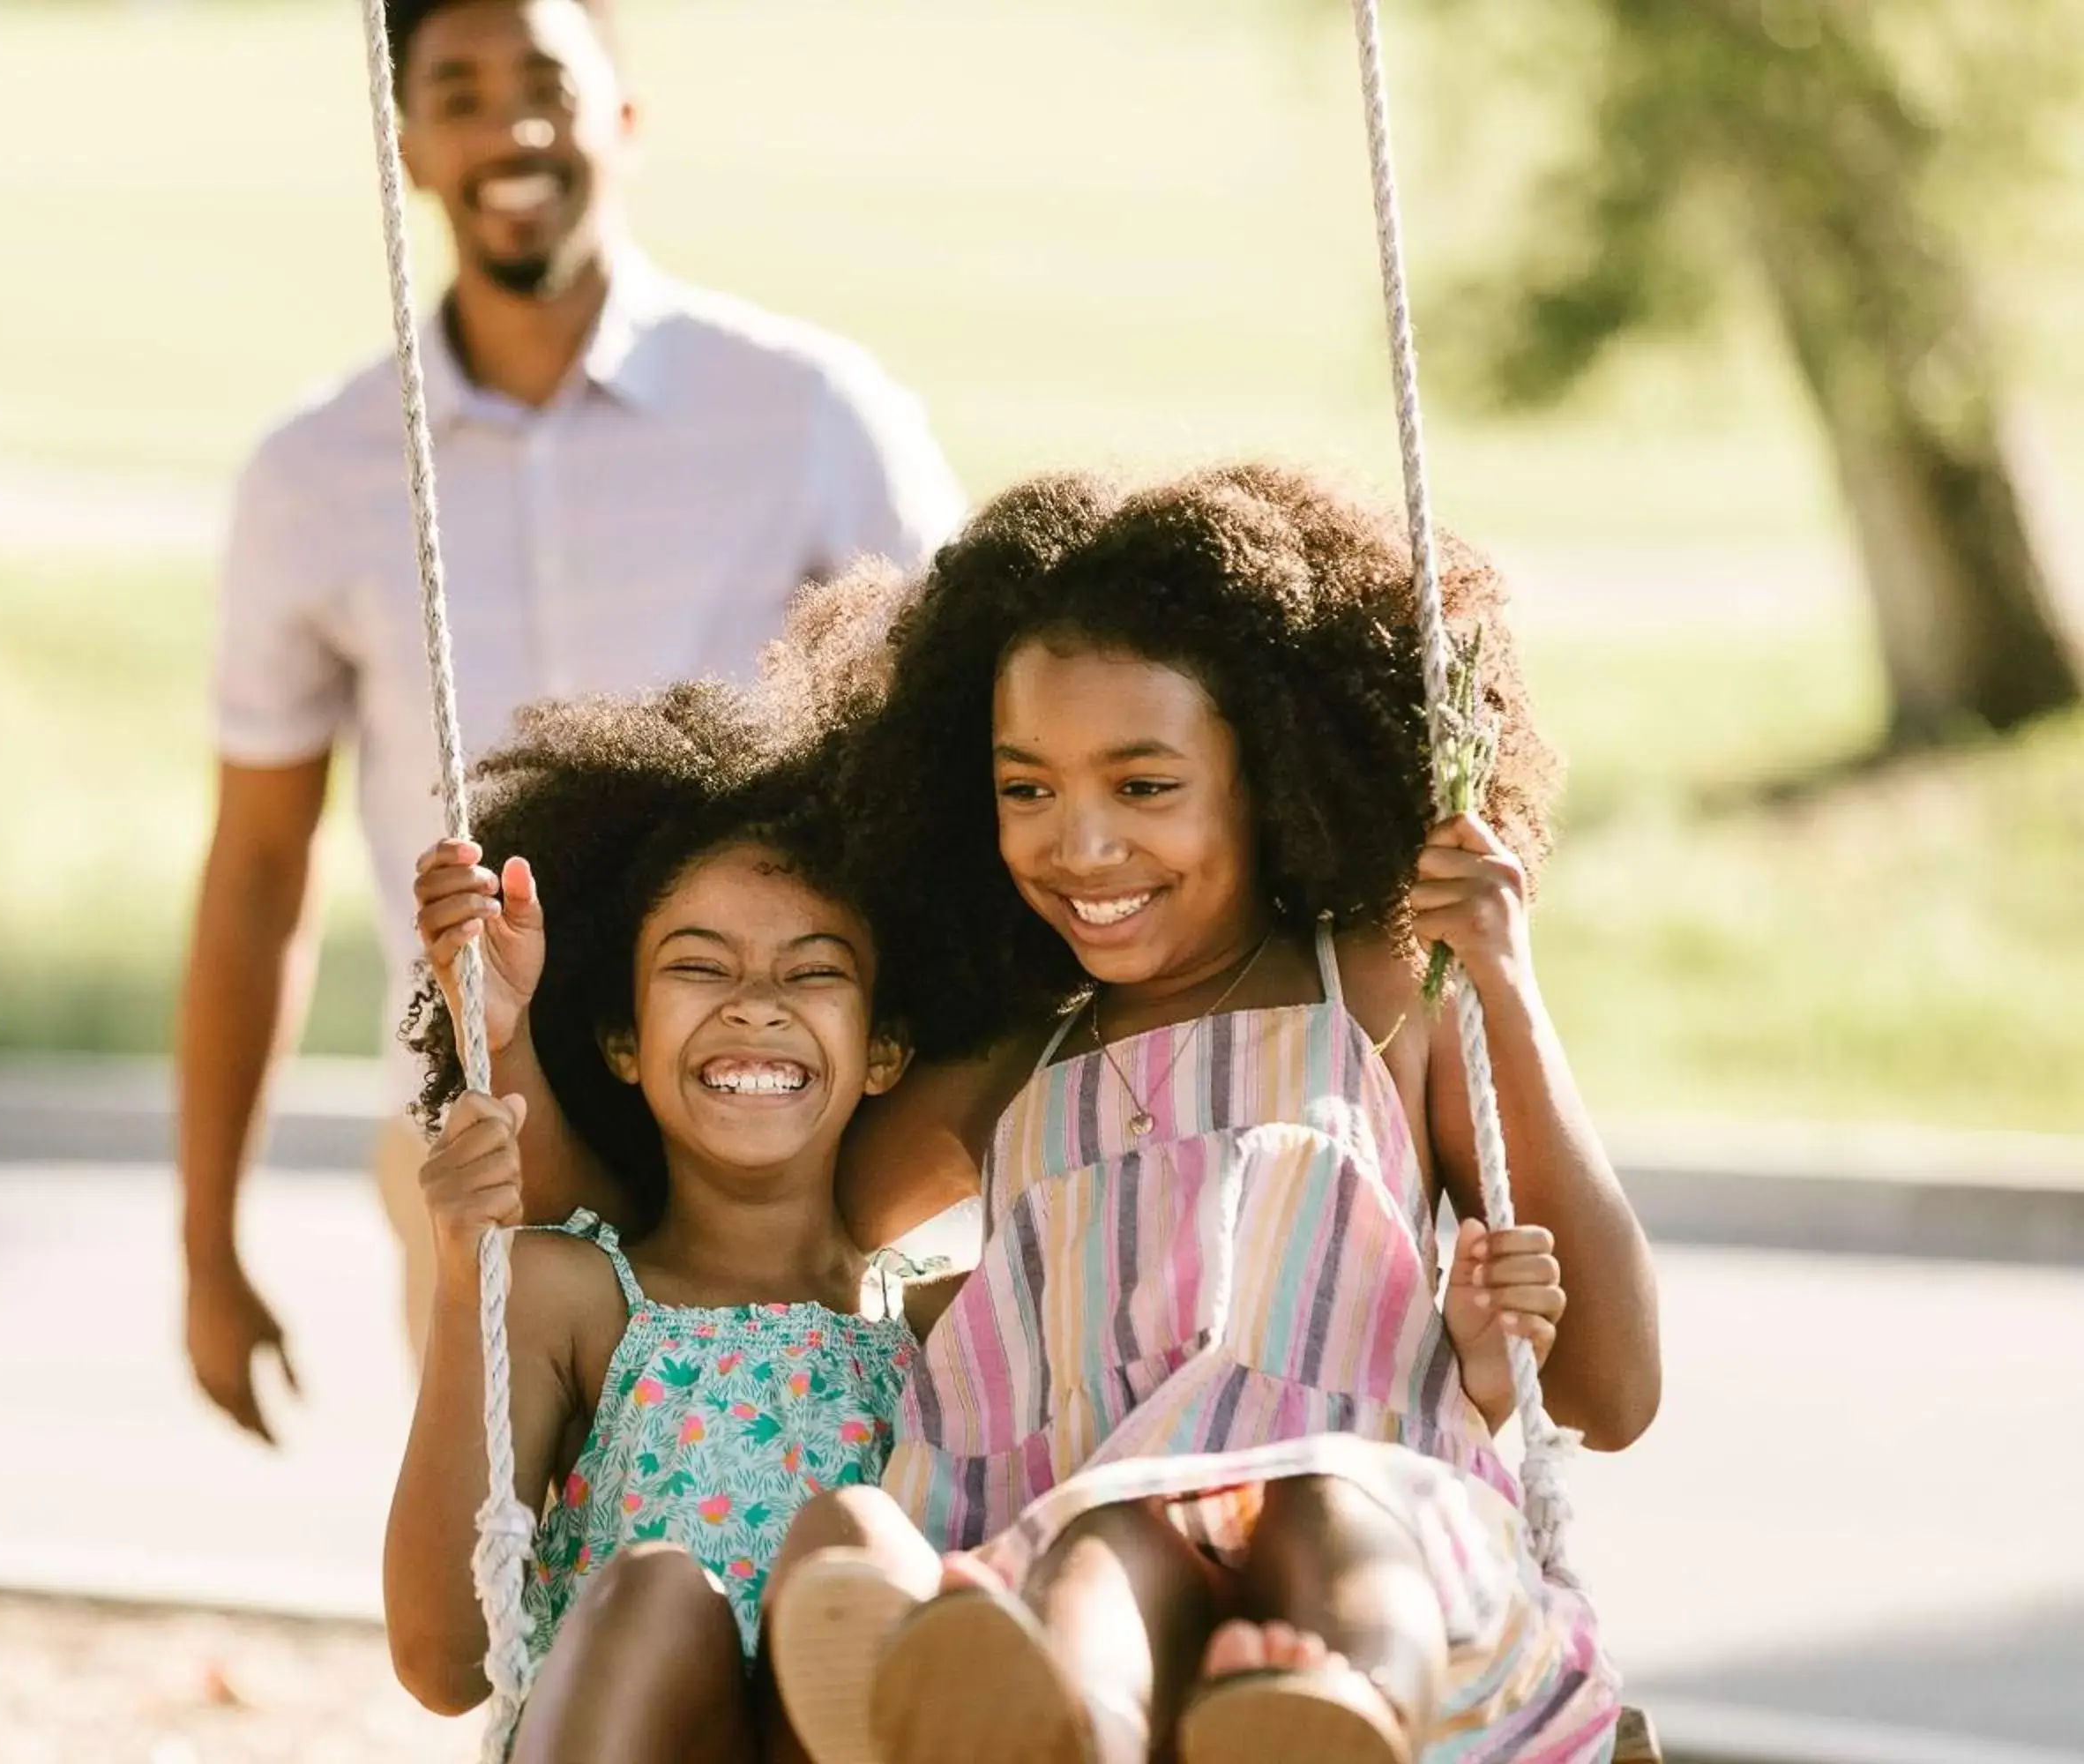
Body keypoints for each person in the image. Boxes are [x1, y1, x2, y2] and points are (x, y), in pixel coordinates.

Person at [758, 466, 1657, 1762]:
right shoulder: (1018, 1066)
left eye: (1144, 786)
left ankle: (1332, 1720)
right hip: (1105, 1540)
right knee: (1106, 1549)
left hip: (1365, 1528)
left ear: (1272, 776)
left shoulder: (1383, 989)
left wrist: (1504, 981)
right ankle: (1056, 1723)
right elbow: (794, 1235)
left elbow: (1615, 1389)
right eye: (1027, 789)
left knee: (1327, 1521)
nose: (1080, 845)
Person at [178, 0, 962, 1439]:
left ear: (627, 119)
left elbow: (959, 767)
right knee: (508, 1600)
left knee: (795, 1546)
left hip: (780, 1103)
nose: (511, 129)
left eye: (547, 83)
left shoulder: (812, 414)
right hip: (484, 1123)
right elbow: (255, 875)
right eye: (460, 93)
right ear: (408, 141)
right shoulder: (315, 471)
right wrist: (208, 1244)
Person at [383, 679, 948, 1762]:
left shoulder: (937, 1326)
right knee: (655, 1594)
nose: (755, 1001)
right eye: (698, 965)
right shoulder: (574, 1296)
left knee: (859, 1553)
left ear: (886, 1048)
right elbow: (439, 1655)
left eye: (815, 970)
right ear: (621, 1043)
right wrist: (468, 1276)